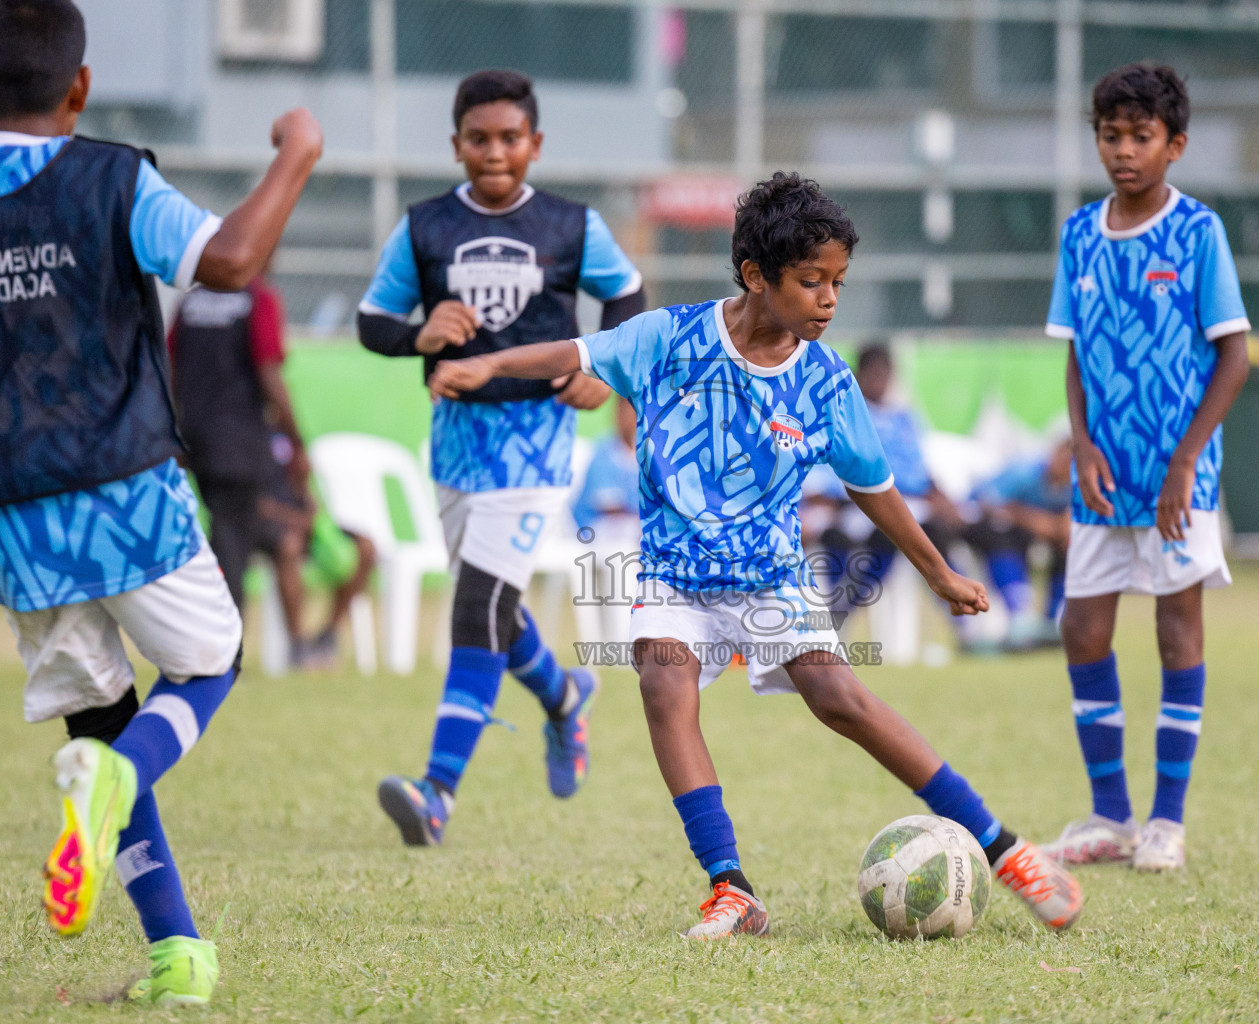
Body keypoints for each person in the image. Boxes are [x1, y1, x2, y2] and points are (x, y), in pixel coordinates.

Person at [427, 171, 1083, 939]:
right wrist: (487, 366)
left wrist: (938, 570)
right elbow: (569, 349)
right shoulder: (666, 339)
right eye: (812, 282)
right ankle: (730, 887)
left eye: (838, 282)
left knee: (841, 698)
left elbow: (875, 489)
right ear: (755, 276)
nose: (830, 299)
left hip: (768, 578)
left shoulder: (827, 384)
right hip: (672, 572)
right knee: (663, 679)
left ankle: (1006, 851)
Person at [0, 0, 320, 1004]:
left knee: (95, 720)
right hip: (123, 492)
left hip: (0, 509)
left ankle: (177, 955)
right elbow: (234, 260)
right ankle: (121, 787)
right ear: (79, 89)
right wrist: (296, 153)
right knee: (209, 661)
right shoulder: (111, 177)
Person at [355, 69, 646, 842]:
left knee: (476, 608)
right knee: (497, 610)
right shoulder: (422, 228)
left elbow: (629, 297)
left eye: (509, 138)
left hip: (537, 442)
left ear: (535, 145)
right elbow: (370, 320)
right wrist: (417, 335)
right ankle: (563, 700)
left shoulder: (572, 226)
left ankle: (437, 792)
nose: (494, 152)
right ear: (457, 146)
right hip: (455, 445)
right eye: (478, 139)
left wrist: (599, 371)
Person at [1041, 64, 1250, 872]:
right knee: (1082, 626)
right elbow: (1074, 355)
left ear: (1175, 145)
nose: (1123, 152)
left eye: (1141, 137)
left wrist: (1186, 459)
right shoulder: (1079, 235)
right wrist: (1082, 441)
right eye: (1110, 135)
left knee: (1175, 629)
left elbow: (1232, 353)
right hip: (1103, 477)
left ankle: (1166, 822)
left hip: (1177, 480)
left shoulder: (1199, 233)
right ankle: (1109, 816)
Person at [168, 265, 308, 613]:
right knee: (233, 543)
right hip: (241, 441)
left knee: (225, 534)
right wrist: (297, 442)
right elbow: (269, 373)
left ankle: (223, 639)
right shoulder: (257, 298)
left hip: (198, 439)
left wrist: (173, 430)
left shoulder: (191, 302)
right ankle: (226, 645)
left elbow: (170, 368)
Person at [815, 343, 965, 620]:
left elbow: (922, 469)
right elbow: (829, 472)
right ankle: (840, 607)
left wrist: (941, 497)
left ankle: (962, 612)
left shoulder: (905, 418)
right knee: (875, 532)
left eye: (885, 374)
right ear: (858, 375)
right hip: (859, 501)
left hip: (910, 500)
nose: (880, 381)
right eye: (873, 374)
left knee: (936, 530)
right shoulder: (844, 413)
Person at [254, 434, 378, 668]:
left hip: (306, 524)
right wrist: (298, 520)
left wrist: (304, 483)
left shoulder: (289, 438)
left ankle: (328, 635)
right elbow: (251, 503)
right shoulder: (245, 437)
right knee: (290, 545)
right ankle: (298, 645)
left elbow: (309, 500)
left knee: (366, 547)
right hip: (266, 528)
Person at [961, 437, 1073, 651]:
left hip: (1027, 533)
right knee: (1001, 530)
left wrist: (1048, 526)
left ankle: (1052, 622)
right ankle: (1018, 616)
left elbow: (1064, 525)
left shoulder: (1074, 484)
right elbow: (989, 505)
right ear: (1056, 455)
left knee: (1069, 545)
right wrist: (1035, 521)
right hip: (977, 522)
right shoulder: (1025, 472)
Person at [571, 396, 641, 643]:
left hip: (634, 532)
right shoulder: (605, 451)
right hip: (595, 532)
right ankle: (623, 641)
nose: (629, 418)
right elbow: (609, 507)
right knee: (622, 553)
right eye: (624, 411)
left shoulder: (648, 452)